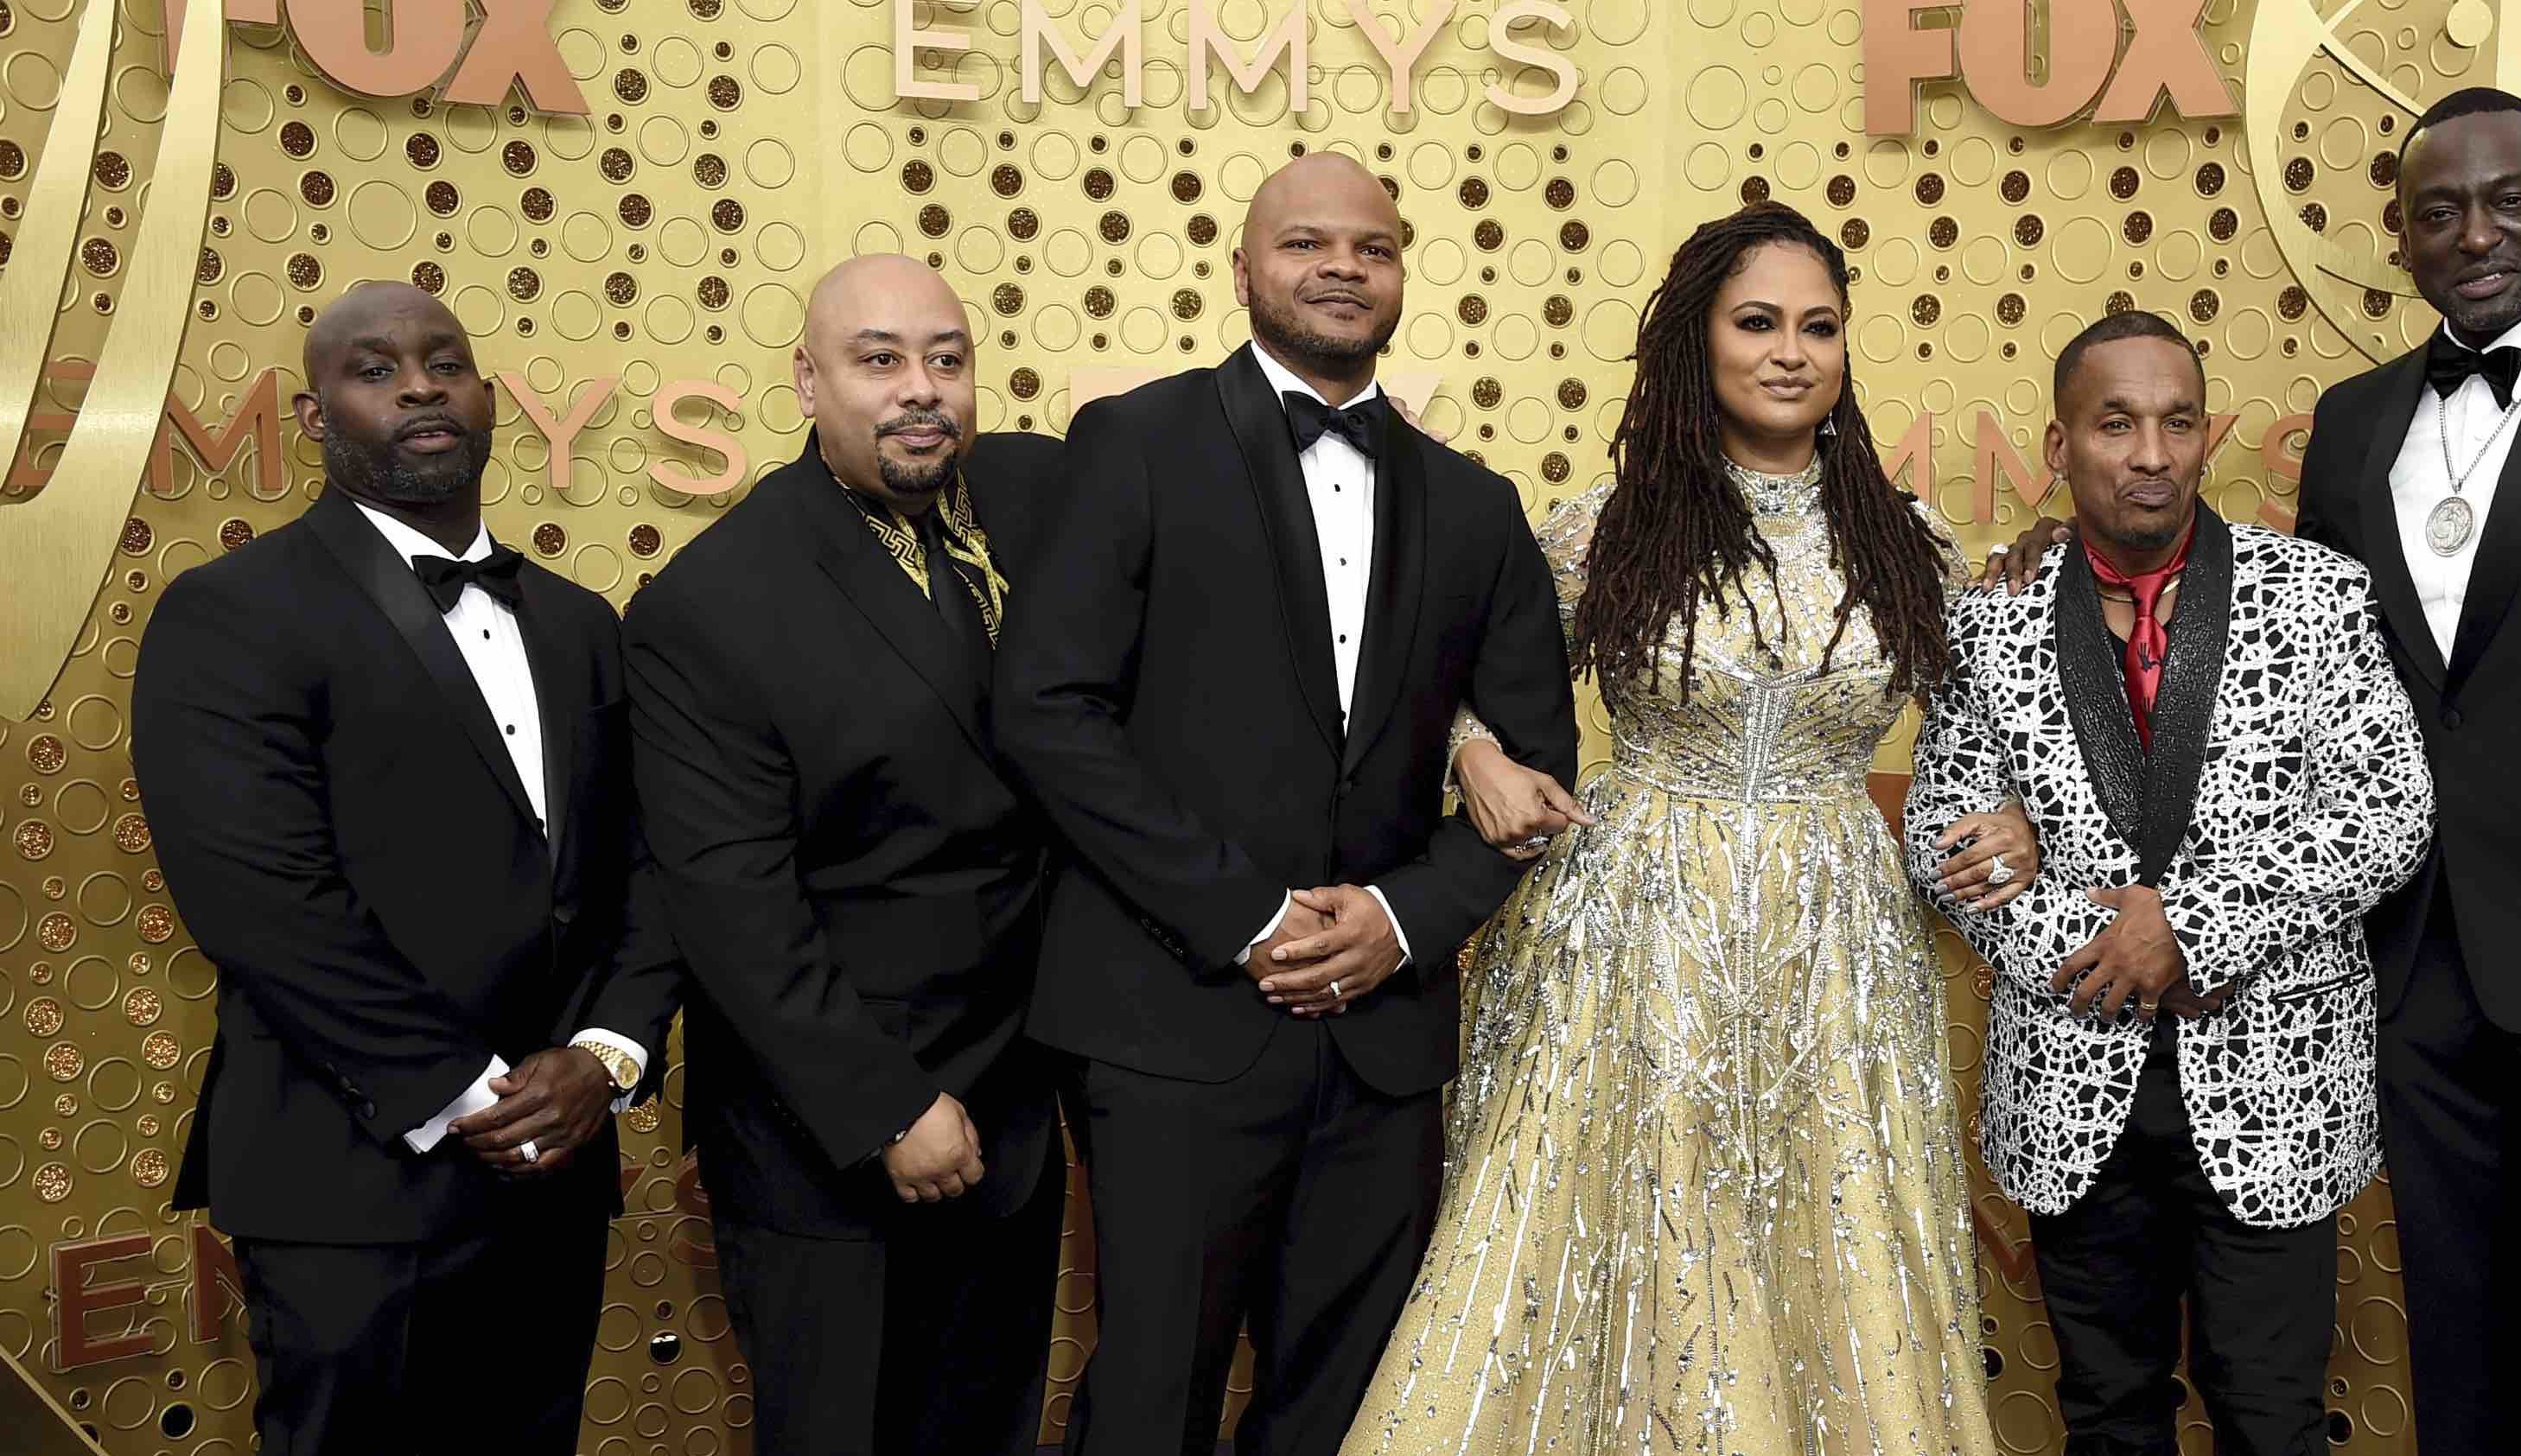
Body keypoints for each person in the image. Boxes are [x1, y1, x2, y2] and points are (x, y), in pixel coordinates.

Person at [1990, 89, 2521, 1453]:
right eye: (2438, 211)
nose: (2478, 234)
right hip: (2414, 981)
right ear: (2400, 239)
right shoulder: (2358, 422)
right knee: (2461, 1363)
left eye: (2510, 199)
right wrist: (2050, 558)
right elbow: (2294, 649)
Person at [1339, 201, 2031, 1453]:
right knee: (1638, 1225)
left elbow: (1989, 727)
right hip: (1632, 930)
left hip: (1838, 941)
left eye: (1818, 327)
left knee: (1836, 1228)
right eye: (1756, 321)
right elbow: (1441, 688)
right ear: (1696, 343)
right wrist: (1476, 750)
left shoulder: (1908, 536)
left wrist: (2004, 814)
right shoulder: (1606, 526)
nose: (1789, 351)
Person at [990, 152, 1579, 1456]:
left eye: (1369, 247)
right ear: (1245, 268)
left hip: (1383, 1038)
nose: (1339, 267)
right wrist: (1249, 915)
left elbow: (1536, 770)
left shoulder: (1476, 507)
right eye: (1306, 244)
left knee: (1349, 1401)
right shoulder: (1134, 443)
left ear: (1404, 272)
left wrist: (1399, 918)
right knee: (1151, 1392)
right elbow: (1048, 711)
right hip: (1171, 1017)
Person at [135, 281, 680, 1454]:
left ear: (487, 398)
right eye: (374, 369)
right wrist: (474, 1091)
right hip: (351, 1182)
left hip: (558, 1170)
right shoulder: (231, 612)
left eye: (446, 361)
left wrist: (605, 1056)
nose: (420, 384)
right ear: (314, 410)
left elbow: (642, 868)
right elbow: (265, 906)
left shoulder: (583, 621)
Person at [1915, 311, 2431, 1456]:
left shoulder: (2318, 593)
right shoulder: (1991, 616)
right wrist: (2095, 944)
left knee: (2273, 1416)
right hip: (2072, 1073)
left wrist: (2191, 928)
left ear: (2206, 437)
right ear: (2060, 447)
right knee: (2107, 1417)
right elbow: (1945, 837)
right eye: (2116, 423)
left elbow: (2387, 810)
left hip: (2276, 1083)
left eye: (2177, 421)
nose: (2151, 452)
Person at [623, 254, 1068, 1456]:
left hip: (1017, 1105)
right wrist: (886, 1106)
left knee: (986, 1431)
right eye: (879, 361)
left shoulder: (1034, 506)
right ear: (808, 382)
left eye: (946, 358)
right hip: (832, 1137)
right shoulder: (712, 601)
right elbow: (730, 904)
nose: (920, 389)